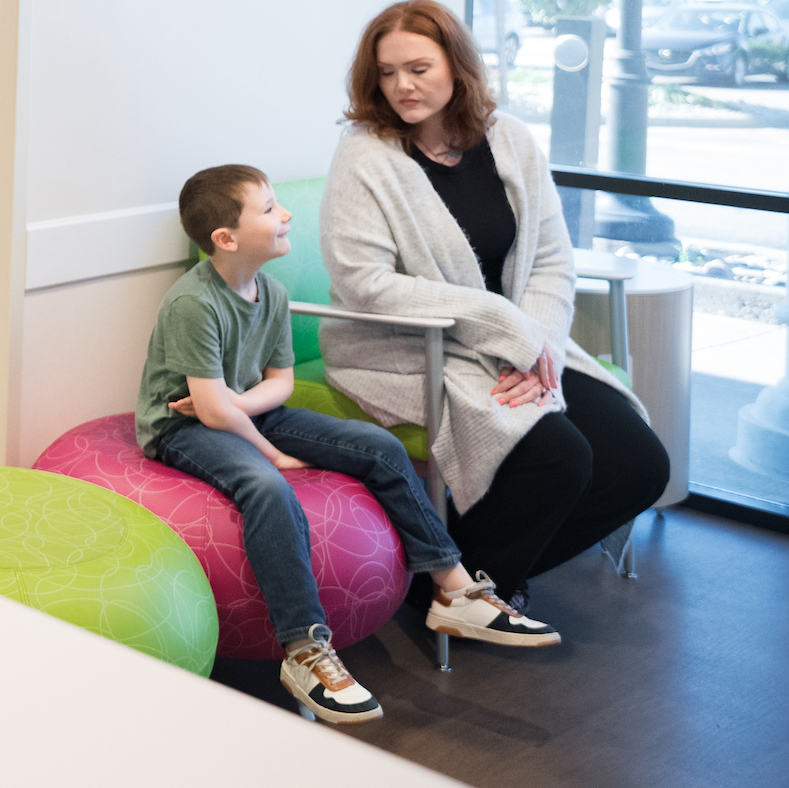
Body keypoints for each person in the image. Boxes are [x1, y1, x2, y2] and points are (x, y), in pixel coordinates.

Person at [140, 166, 537, 726]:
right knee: (265, 487)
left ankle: (453, 588)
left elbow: (275, 382)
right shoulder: (193, 304)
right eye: (270, 208)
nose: (287, 214)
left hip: (245, 409)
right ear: (226, 239)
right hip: (180, 427)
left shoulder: (271, 292)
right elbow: (205, 413)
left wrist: (237, 403)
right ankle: (304, 650)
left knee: (379, 446)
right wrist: (267, 450)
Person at [319, 0, 668, 630]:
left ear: (458, 65)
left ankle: (471, 582)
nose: (402, 86)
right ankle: (460, 590)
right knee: (559, 456)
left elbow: (550, 263)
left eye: (419, 68)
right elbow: (366, 284)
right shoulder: (365, 155)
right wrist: (508, 330)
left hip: (515, 343)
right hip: (406, 348)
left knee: (639, 465)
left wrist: (537, 347)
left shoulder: (510, 140)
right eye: (388, 72)